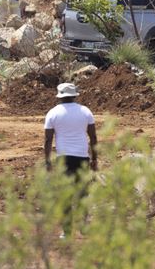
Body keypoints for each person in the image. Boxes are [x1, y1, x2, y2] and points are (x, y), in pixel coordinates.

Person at [44, 82, 98, 237]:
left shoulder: (52, 113)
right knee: (82, 193)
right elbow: (93, 137)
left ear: (59, 96)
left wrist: (47, 161)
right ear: (74, 95)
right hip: (82, 158)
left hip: (63, 159)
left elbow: (48, 140)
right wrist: (95, 160)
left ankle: (67, 231)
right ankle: (83, 227)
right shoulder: (85, 111)